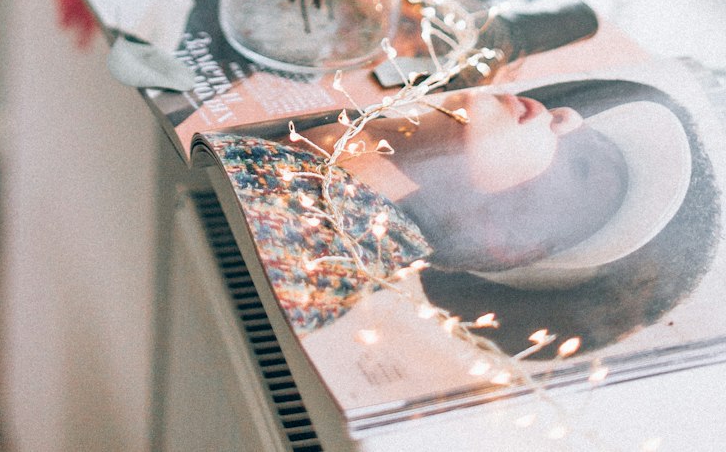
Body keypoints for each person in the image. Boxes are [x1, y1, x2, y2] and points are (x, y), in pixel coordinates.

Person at [208, 77, 721, 354]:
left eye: (584, 166)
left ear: (507, 241)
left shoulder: (303, 255)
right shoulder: (318, 158)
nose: (568, 116)